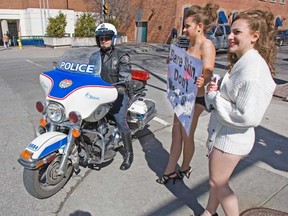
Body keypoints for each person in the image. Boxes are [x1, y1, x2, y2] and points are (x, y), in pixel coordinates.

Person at [202, 9, 276, 216]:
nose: (230, 36)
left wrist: (217, 98)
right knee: (217, 182)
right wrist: (215, 92)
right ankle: (210, 211)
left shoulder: (253, 71)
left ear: (255, 36)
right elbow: (226, 100)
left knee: (218, 182)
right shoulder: (243, 63)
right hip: (224, 134)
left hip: (231, 139)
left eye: (237, 32)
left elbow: (248, 116)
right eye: (230, 31)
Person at [156, 2, 219, 184]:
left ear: (199, 27)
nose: (184, 29)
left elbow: (208, 69)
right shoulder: (189, 46)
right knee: (176, 134)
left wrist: (205, 79)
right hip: (182, 97)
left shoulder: (206, 45)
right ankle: (170, 170)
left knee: (186, 135)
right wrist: (173, 63)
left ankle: (184, 167)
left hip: (196, 98)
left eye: (188, 26)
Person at [89, 23, 133, 171]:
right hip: (99, 95)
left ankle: (128, 154)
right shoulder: (94, 57)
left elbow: (125, 75)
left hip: (117, 95)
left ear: (112, 39)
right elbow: (88, 74)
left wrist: (120, 87)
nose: (104, 41)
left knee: (121, 122)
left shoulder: (122, 56)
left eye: (107, 38)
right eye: (101, 38)